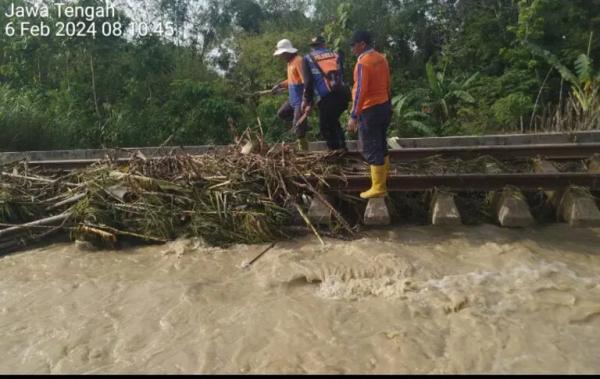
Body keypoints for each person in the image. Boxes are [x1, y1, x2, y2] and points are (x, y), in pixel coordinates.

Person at [346, 31, 392, 199]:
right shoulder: (381, 58)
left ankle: (378, 188)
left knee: (372, 147)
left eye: (353, 45)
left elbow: (360, 91)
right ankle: (384, 179)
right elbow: (388, 83)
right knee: (381, 143)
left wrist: (354, 115)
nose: (351, 48)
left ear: (362, 44)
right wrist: (389, 104)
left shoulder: (363, 63)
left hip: (369, 109)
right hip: (383, 105)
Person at [300, 36, 351, 151]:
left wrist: (307, 101)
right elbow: (343, 74)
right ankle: (342, 149)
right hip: (343, 94)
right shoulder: (335, 54)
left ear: (312, 47)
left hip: (326, 97)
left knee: (325, 127)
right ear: (324, 44)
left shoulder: (307, 59)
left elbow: (308, 82)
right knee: (333, 121)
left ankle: (336, 153)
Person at [271, 39, 310, 151]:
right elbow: (291, 80)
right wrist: (279, 85)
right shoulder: (290, 63)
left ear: (287, 52)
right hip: (292, 99)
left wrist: (305, 100)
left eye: (282, 54)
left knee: (297, 126)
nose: (281, 57)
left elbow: (305, 81)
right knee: (282, 113)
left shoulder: (298, 61)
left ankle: (304, 151)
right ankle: (303, 125)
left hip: (300, 100)